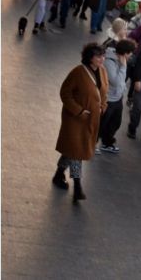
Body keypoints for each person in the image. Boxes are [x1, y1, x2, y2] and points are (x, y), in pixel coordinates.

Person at [52, 43, 109, 202]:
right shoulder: (78, 72)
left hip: (91, 121)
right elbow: (65, 93)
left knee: (72, 150)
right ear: (89, 57)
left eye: (103, 56)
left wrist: (103, 106)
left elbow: (104, 92)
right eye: (98, 56)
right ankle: (77, 186)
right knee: (77, 152)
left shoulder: (103, 72)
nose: (102, 59)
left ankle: (58, 174)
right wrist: (79, 111)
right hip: (75, 120)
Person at [99, 39, 137, 154]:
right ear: (125, 53)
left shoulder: (121, 60)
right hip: (108, 98)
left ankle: (107, 143)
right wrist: (124, 66)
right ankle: (93, 142)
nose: (131, 55)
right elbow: (115, 81)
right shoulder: (109, 61)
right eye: (130, 53)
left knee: (115, 122)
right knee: (102, 123)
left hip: (117, 97)